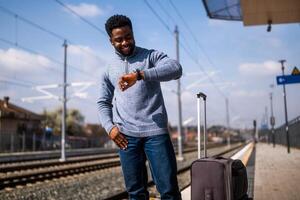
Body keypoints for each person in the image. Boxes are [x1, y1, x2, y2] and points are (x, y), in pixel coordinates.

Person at [97, 14, 182, 200]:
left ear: (133, 34)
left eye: (128, 36)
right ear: (111, 41)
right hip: (126, 137)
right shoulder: (108, 69)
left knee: (169, 191)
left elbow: (176, 69)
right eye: (119, 39)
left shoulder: (151, 56)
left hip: (156, 134)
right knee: (135, 194)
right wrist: (110, 128)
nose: (125, 42)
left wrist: (140, 75)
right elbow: (103, 102)